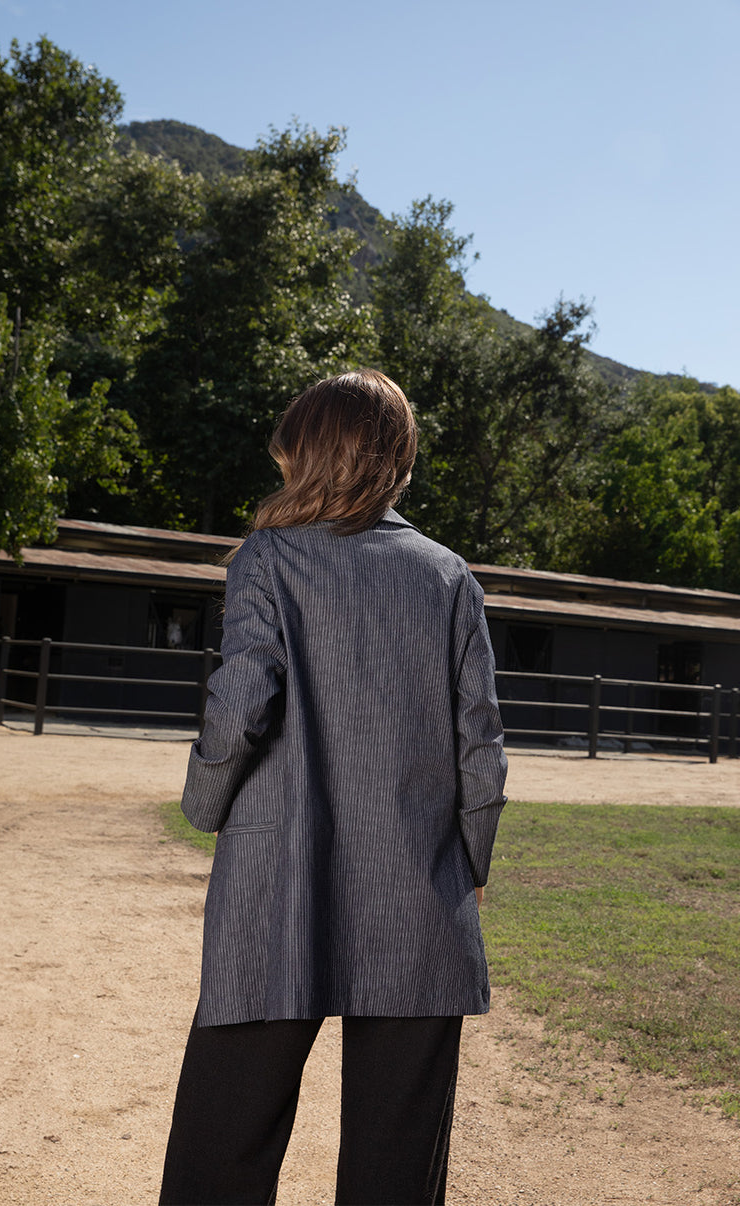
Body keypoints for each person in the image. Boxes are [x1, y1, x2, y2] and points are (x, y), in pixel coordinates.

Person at [159, 368, 508, 1206]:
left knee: (224, 1138)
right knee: (398, 1156)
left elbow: (241, 700)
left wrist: (203, 807)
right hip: (420, 894)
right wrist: (469, 865)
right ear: (397, 458)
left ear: (308, 456)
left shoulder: (268, 557)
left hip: (274, 893)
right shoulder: (448, 575)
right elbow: (482, 751)